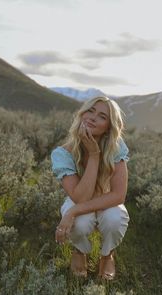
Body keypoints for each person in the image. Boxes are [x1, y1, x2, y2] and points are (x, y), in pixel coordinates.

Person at [51, 96, 130, 280]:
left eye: (102, 116)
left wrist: (72, 212)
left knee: (114, 219)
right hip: (80, 197)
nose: (93, 118)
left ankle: (107, 254)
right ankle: (80, 251)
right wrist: (94, 155)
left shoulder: (116, 147)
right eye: (90, 111)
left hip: (107, 197)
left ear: (108, 127)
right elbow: (80, 198)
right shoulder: (62, 153)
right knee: (80, 222)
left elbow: (119, 195)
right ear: (82, 114)